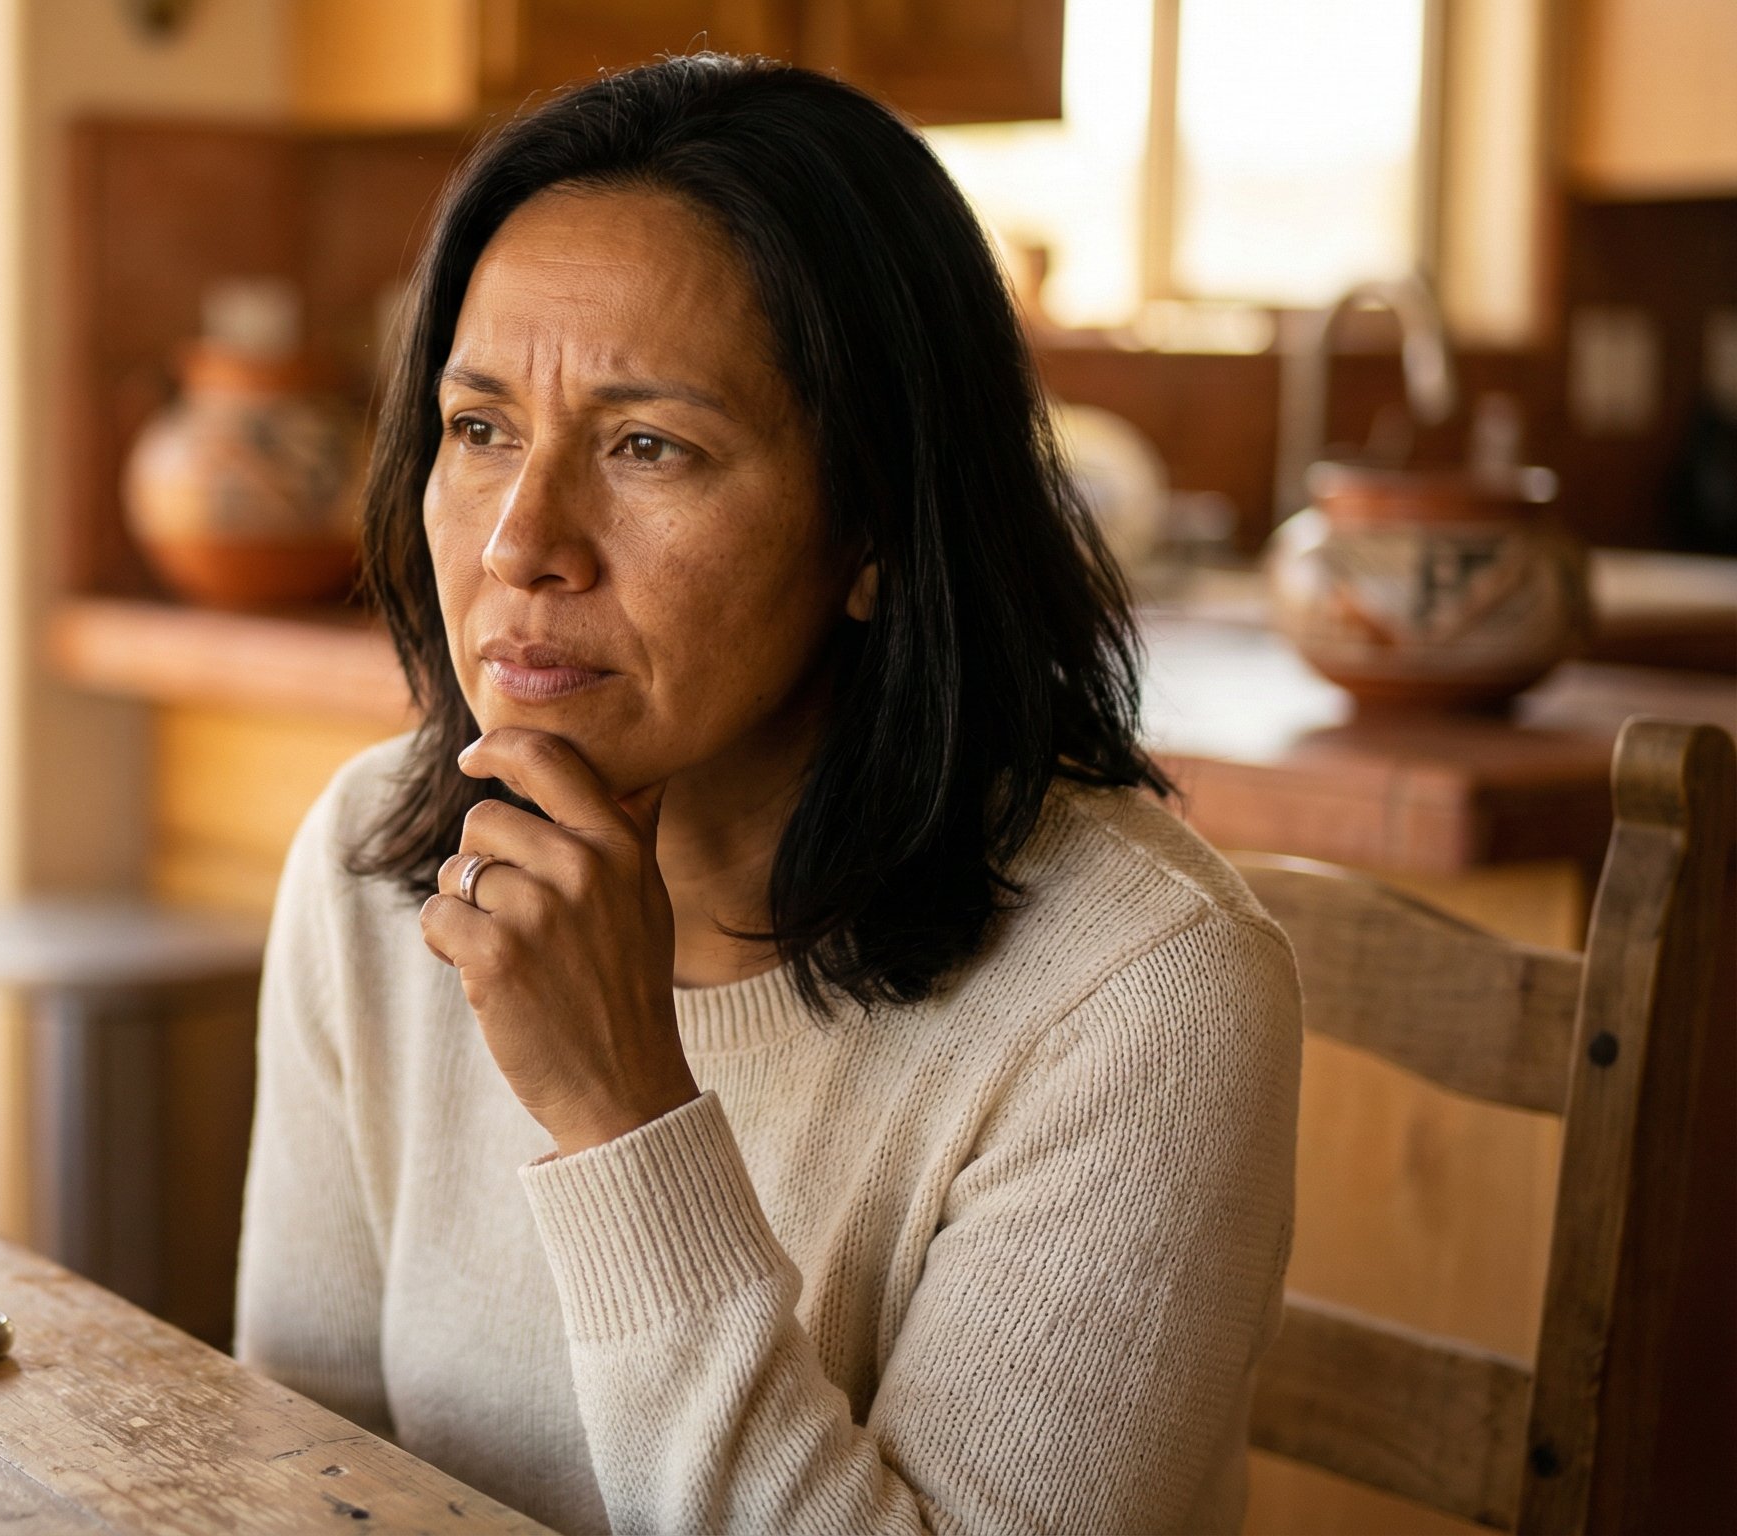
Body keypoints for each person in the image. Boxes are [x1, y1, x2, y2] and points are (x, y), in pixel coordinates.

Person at [232, 54, 1301, 1536]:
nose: (522, 541)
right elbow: (308, 1470)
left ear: (874, 526)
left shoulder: (1139, 998)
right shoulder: (372, 860)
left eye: (647, 446)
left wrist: (618, 1114)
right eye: (479, 430)